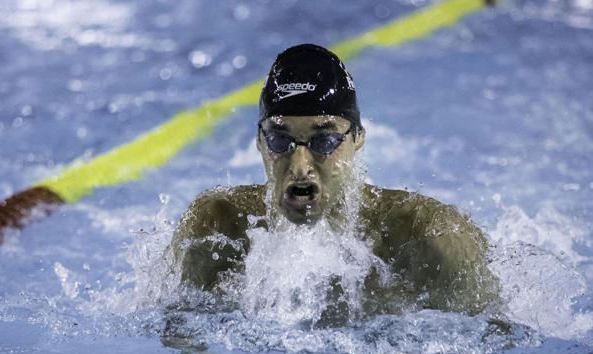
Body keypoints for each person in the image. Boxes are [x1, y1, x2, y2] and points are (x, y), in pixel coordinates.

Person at [170, 44, 500, 324]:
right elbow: (176, 340)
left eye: (324, 140)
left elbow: (498, 342)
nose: (300, 168)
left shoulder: (431, 239)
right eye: (279, 141)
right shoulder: (216, 229)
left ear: (358, 138)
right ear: (259, 141)